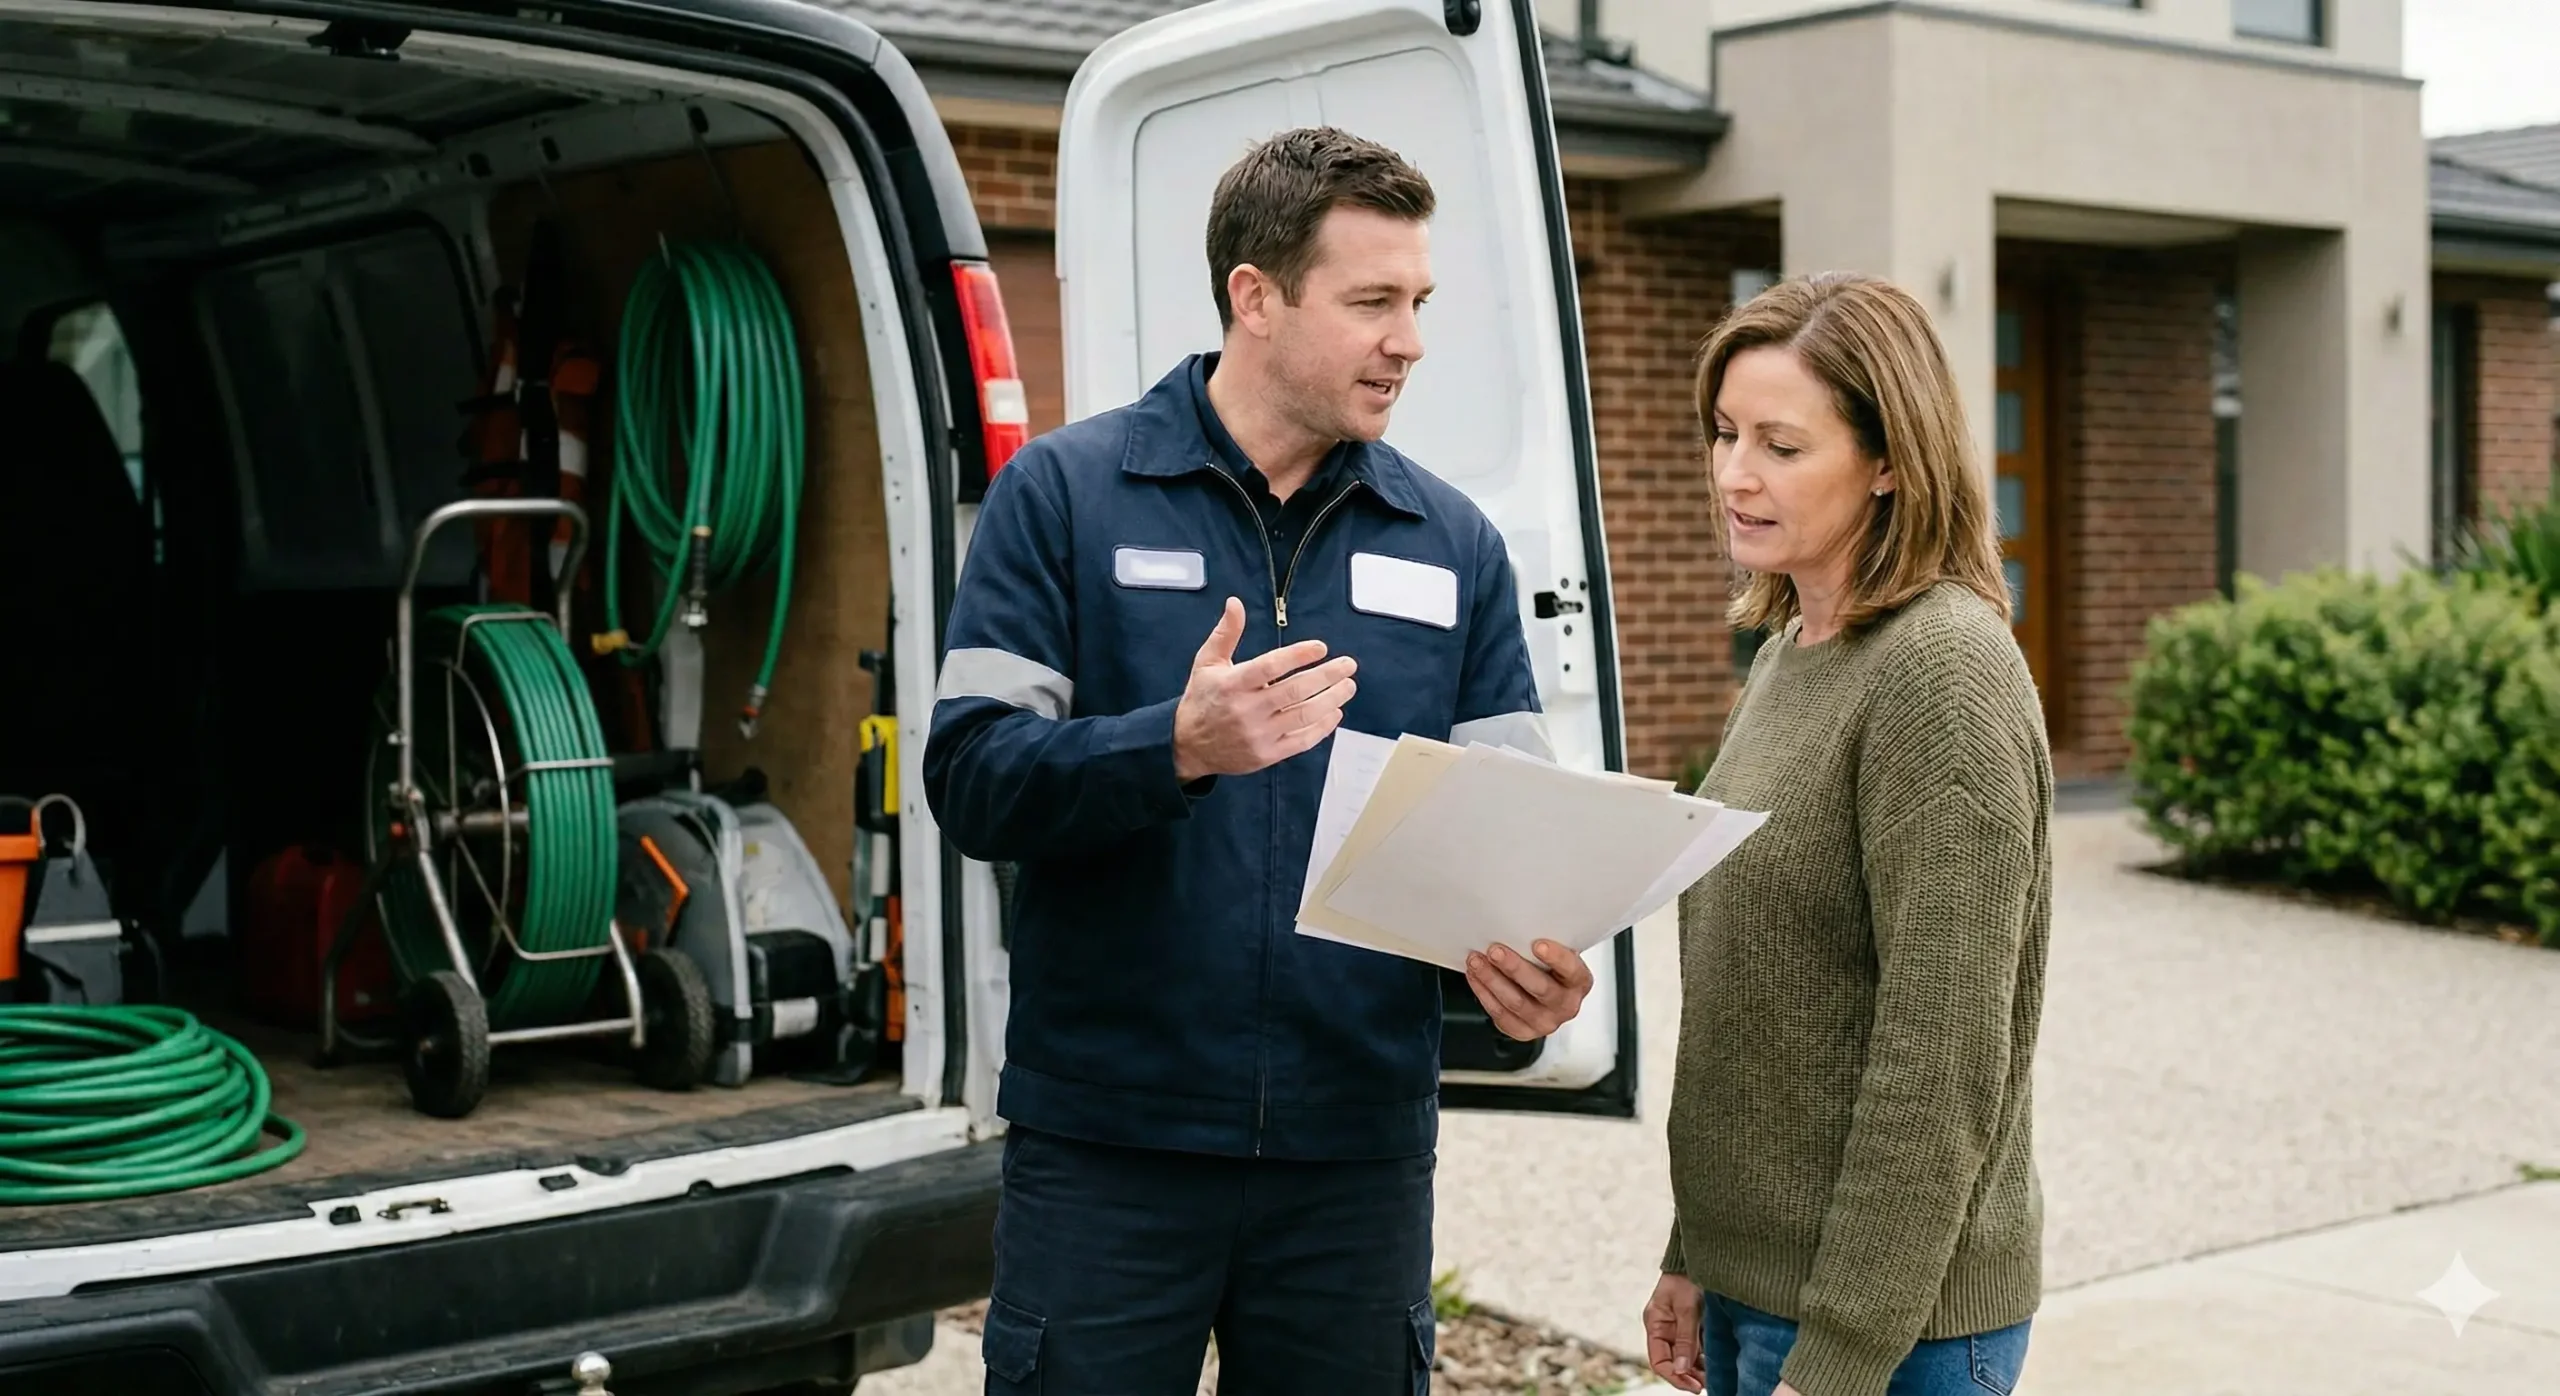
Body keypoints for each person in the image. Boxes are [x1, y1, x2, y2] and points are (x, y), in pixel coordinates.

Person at [923, 125, 1595, 1395]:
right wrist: (1171, 748)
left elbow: (1516, 849)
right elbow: (972, 775)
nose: (1409, 339)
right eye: (1372, 302)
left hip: (1353, 1161)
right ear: (1256, 296)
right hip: (1110, 1147)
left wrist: (1533, 969)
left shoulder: (1454, 545)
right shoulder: (1065, 496)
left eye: (1419, 302)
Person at [1641, 272, 2054, 1396]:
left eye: (1780, 444)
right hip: (1757, 1295)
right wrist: (1696, 1253)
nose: (1733, 473)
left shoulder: (1942, 675)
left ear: (1888, 461)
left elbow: (1944, 1058)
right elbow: (1761, 1012)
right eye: (1723, 433)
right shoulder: (1790, 654)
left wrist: (1838, 1358)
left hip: (1888, 1333)